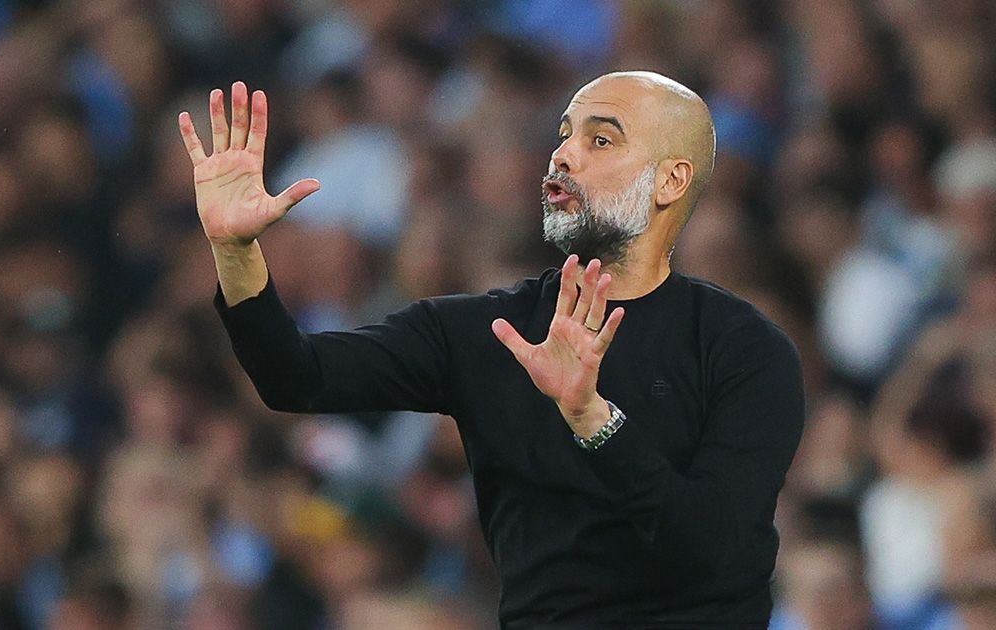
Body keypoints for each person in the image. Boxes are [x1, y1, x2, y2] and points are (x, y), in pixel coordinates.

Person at [177, 71, 805, 629]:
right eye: (563, 135)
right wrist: (236, 252)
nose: (562, 156)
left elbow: (713, 546)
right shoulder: (485, 332)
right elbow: (297, 377)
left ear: (671, 179)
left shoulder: (745, 350)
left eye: (600, 139)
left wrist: (593, 419)